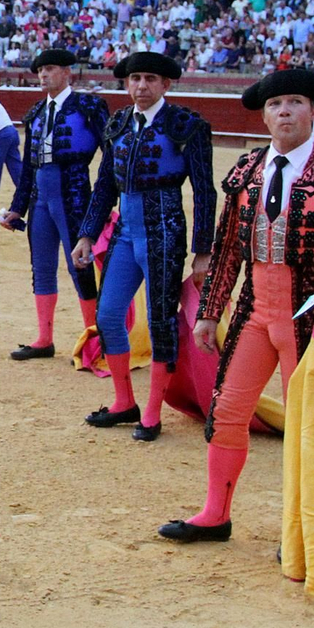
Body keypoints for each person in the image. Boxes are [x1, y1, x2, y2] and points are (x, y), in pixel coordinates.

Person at [159, 69, 314, 542]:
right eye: (275, 105)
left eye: (294, 102)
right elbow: (227, 249)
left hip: (309, 314)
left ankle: (304, 532)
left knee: (309, 426)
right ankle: (215, 514)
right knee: (226, 412)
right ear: (265, 116)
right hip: (253, 311)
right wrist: (210, 310)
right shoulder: (248, 170)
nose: (284, 110)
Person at [72, 51, 216, 441]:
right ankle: (124, 402)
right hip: (126, 230)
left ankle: (152, 413)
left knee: (160, 321)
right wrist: (87, 233)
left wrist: (204, 251)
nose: (141, 86)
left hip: (165, 231)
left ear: (166, 84)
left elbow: (204, 191)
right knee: (108, 316)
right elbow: (104, 184)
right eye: (135, 79)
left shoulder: (186, 125)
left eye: (150, 79)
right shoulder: (118, 123)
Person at [1, 50, 109, 360]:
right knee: (42, 267)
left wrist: (103, 199)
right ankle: (44, 339)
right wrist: (17, 208)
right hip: (40, 200)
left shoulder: (88, 106)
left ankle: (95, 339)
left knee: (81, 269)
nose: (44, 75)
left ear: (66, 72)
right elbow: (28, 167)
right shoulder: (36, 112)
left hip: (75, 197)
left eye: (50, 69)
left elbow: (111, 155)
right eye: (41, 70)